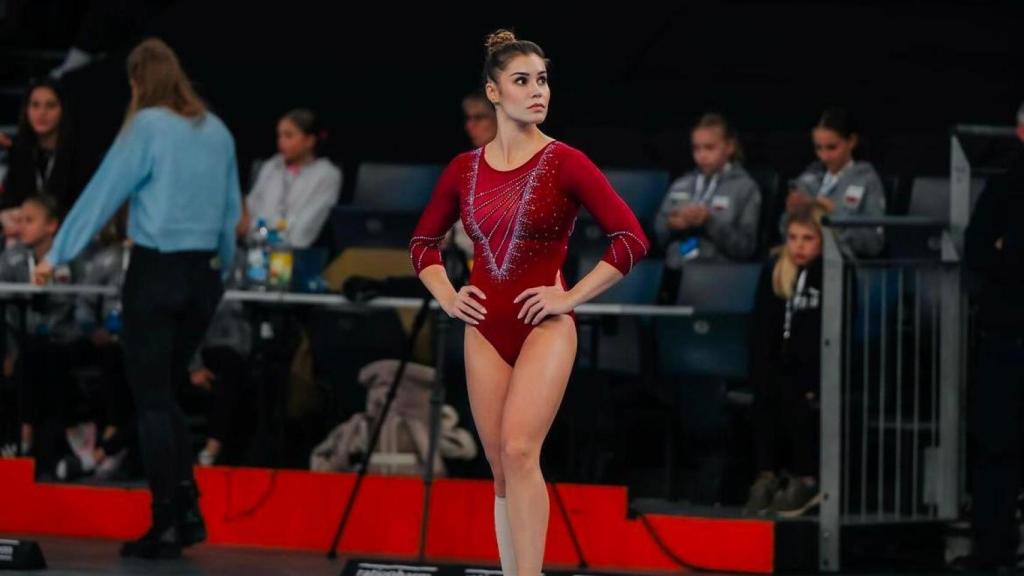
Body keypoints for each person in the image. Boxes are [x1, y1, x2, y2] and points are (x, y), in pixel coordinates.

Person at [409, 30, 649, 576]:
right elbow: (423, 243)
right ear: (493, 93)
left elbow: (631, 239)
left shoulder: (565, 162)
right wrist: (448, 295)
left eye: (542, 80)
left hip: (544, 327)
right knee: (499, 466)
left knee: (520, 451)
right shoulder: (464, 169)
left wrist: (569, 296)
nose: (537, 91)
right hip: (484, 329)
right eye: (522, 81)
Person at [34, 38, 242, 560]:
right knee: (165, 396)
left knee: (152, 401)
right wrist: (219, 272)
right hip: (203, 277)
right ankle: (185, 510)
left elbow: (104, 192)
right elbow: (230, 213)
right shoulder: (216, 129)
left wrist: (57, 253)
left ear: (136, 81)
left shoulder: (147, 124)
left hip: (156, 272)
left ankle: (168, 520)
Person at [960, 101, 1024, 572]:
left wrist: (1012, 249)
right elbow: (980, 251)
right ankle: (993, 550)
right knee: (996, 445)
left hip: (1006, 325)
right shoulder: (1004, 186)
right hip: (1005, 334)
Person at [746, 201, 827, 517]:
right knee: (764, 397)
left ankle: (805, 479)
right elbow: (761, 328)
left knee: (798, 399)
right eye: (793, 238)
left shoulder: (833, 275)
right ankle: (766, 475)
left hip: (814, 367)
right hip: (778, 364)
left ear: (822, 241)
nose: (799, 246)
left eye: (808, 238)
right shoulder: (775, 272)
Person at [784, 107, 885, 257]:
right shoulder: (807, 179)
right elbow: (784, 233)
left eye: (832, 147)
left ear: (851, 141)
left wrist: (835, 218)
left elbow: (874, 242)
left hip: (843, 267)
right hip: (802, 265)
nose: (824, 156)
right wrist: (792, 214)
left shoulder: (866, 180)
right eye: (818, 148)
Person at [245, 108, 341, 248]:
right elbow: (250, 214)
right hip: (257, 249)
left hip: (297, 257)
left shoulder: (326, 175)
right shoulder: (272, 166)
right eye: (279, 135)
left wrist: (261, 231)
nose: (281, 142)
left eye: (288, 136)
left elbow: (300, 235)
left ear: (309, 141)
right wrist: (261, 231)